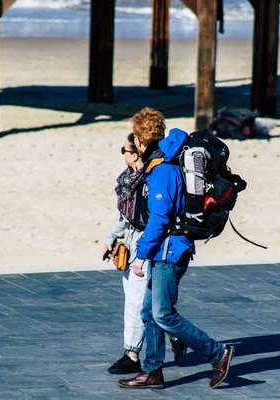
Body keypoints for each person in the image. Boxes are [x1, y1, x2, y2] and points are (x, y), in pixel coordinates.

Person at [118, 108, 235, 390]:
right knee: (149, 312)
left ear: (141, 142)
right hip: (165, 249)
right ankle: (153, 371)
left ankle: (218, 353)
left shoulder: (162, 170)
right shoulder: (161, 163)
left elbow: (159, 219)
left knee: (162, 313)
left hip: (170, 250)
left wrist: (141, 254)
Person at [104, 133, 186, 375]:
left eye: (125, 150)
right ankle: (175, 335)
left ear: (137, 152)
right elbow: (125, 217)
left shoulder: (148, 181)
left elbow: (153, 219)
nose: (123, 154)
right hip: (134, 243)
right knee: (144, 303)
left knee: (138, 303)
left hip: (146, 245)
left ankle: (132, 354)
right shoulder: (130, 180)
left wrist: (142, 253)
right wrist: (111, 237)